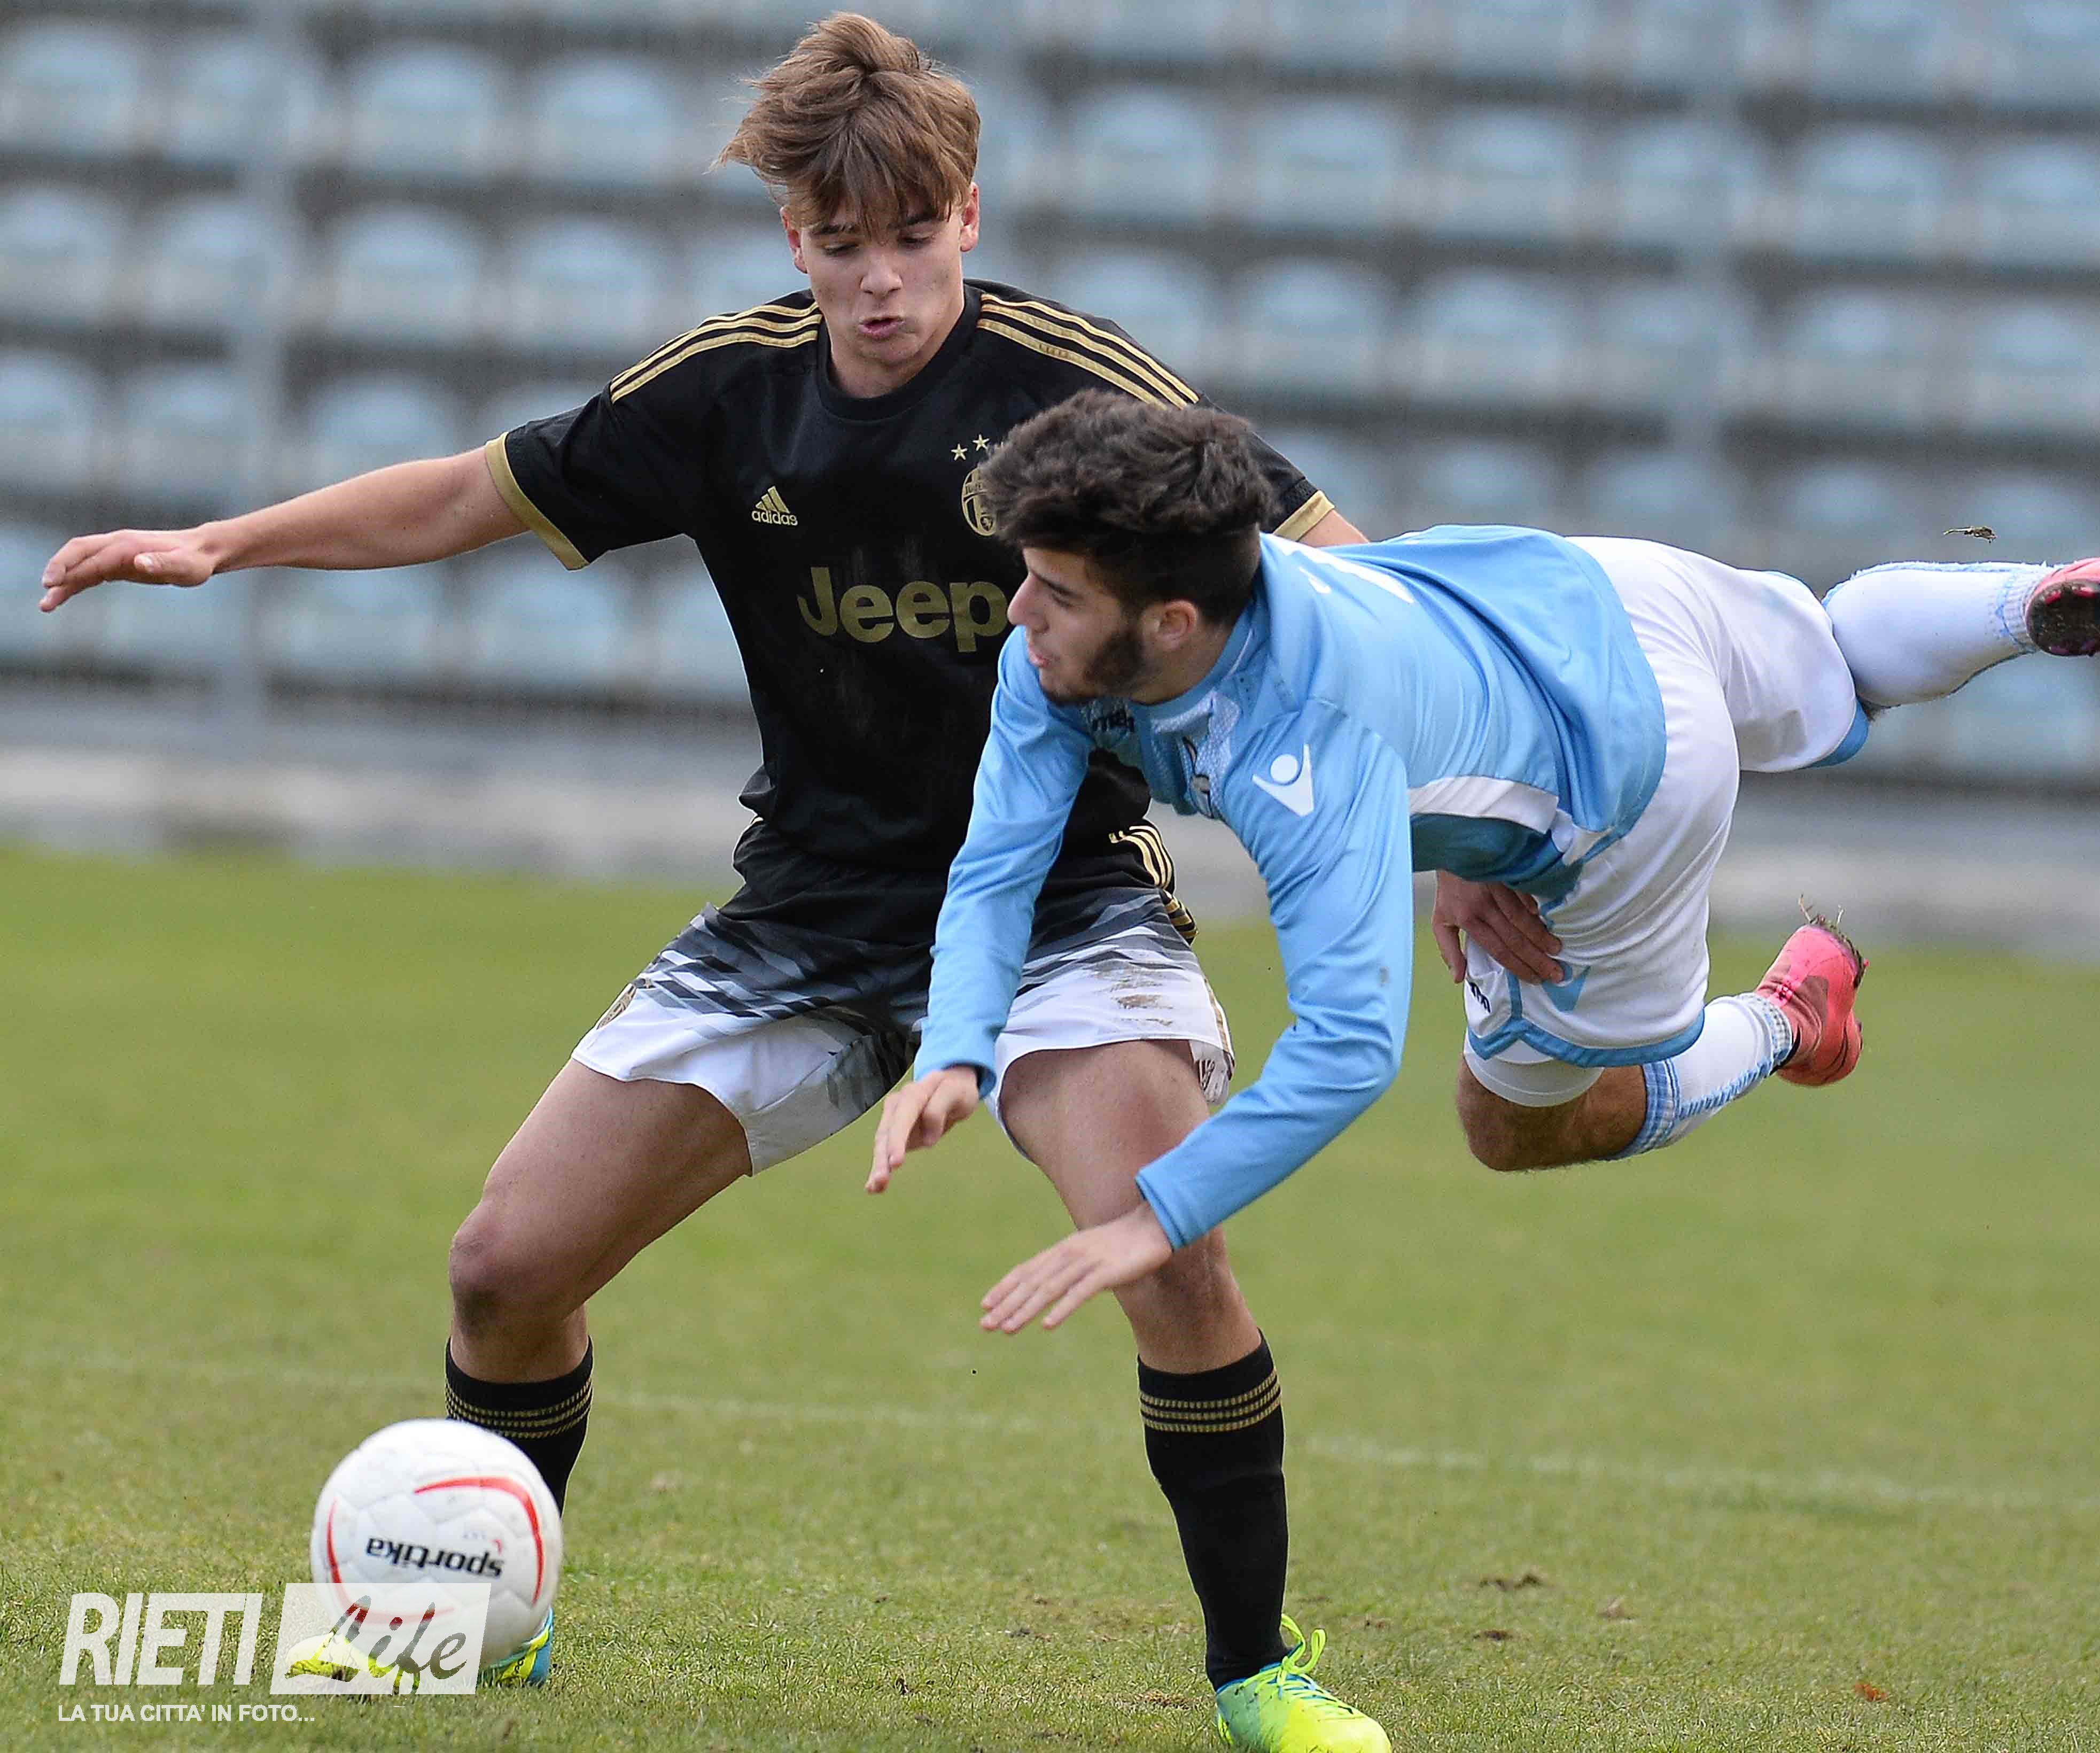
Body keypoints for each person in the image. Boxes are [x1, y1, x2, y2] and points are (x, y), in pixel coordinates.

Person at [36, 20, 1394, 1743]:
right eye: (843, 244)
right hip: (811, 908)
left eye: (914, 238)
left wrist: (1480, 825)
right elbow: (467, 494)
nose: (881, 282)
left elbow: (1354, 580)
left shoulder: (1075, 391)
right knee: (503, 1270)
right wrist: (228, 542)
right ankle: (487, 1622)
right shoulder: (730, 391)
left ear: (970, 218)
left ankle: (1261, 1675)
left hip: (1060, 906)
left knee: (1170, 1254)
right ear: (793, 238)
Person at [871, 391, 2100, 1347]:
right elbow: (999, 863)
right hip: (1585, 583)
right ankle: (2029, 602)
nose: (1019, 612)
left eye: (1055, 591)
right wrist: (956, 1047)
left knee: (1516, 1127)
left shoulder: (1299, 758)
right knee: (1835, 655)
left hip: (1628, 779)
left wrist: (1154, 1215)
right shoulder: (1104, 635)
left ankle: (1788, 1017)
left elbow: (1347, 1049)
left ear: (1174, 624)